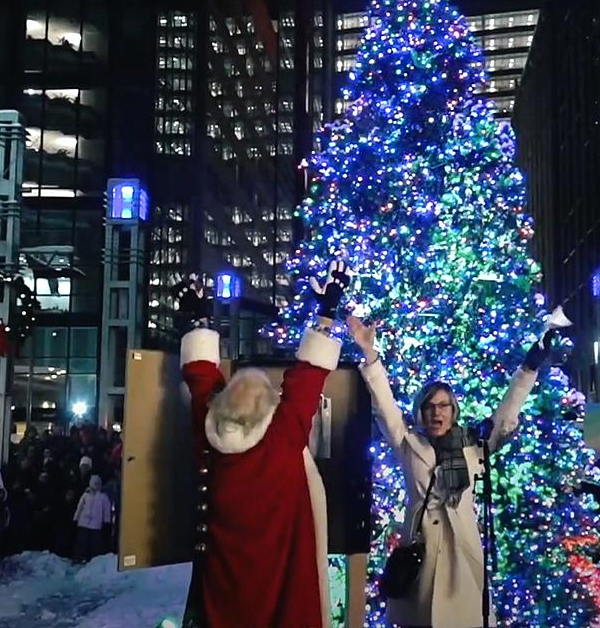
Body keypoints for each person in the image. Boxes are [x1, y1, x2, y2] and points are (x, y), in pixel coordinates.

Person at [348, 307, 564, 628]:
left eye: (443, 406)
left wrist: (530, 367)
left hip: (462, 553)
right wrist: (369, 353)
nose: (437, 413)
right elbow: (385, 405)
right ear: (421, 412)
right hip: (421, 555)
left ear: (454, 410)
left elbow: (505, 417)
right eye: (430, 406)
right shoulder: (408, 443)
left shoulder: (473, 445)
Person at [178, 262, 349, 628]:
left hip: (223, 600)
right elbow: (308, 377)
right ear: (268, 408)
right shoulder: (281, 439)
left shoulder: (210, 435)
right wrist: (327, 311)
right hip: (283, 602)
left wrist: (197, 319)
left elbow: (200, 378)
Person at [73, 474, 111, 563]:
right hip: (83, 523)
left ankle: (93, 560)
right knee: (82, 542)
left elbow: (106, 510)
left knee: (95, 544)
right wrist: (76, 518)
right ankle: (79, 558)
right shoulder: (86, 495)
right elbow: (80, 507)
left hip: (96, 525)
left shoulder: (103, 497)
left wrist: (107, 522)